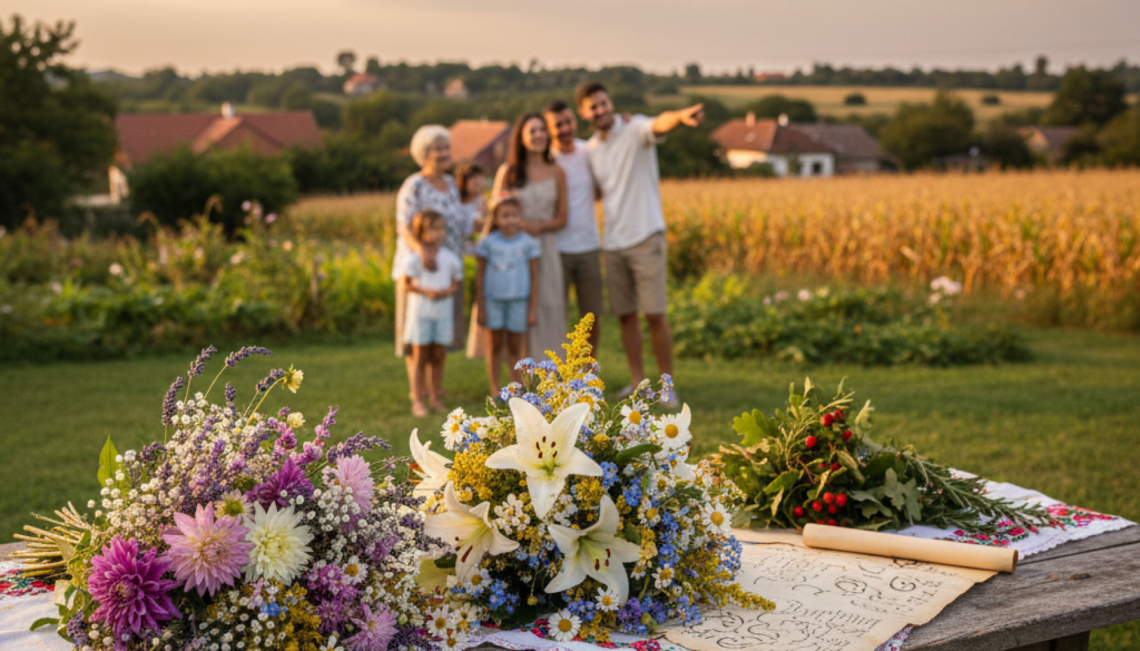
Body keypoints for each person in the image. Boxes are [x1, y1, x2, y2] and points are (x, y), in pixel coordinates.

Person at [576, 81, 704, 407]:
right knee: (626, 315)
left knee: (655, 314)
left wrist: (680, 115)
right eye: (593, 106)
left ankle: (666, 386)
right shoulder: (591, 150)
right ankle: (637, 382)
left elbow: (660, 122)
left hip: (646, 235)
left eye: (604, 103)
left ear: (611, 104)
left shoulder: (635, 129)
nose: (600, 110)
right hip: (614, 241)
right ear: (584, 112)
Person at [394, 125, 467, 406]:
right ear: (424, 154)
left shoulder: (450, 183)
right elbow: (404, 225)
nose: (444, 153)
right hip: (418, 269)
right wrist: (423, 252)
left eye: (446, 147)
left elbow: (458, 227)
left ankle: (435, 390)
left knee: (440, 335)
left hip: (448, 268)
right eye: (438, 149)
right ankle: (418, 392)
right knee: (417, 335)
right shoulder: (414, 184)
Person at [490, 113, 569, 360]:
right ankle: (517, 375)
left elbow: (563, 217)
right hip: (511, 250)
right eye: (532, 131)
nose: (538, 135)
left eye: (542, 130)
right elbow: (495, 214)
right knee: (516, 306)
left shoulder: (557, 172)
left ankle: (551, 370)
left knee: (549, 306)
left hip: (545, 246)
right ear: (521, 138)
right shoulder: (508, 172)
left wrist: (539, 227)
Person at [543, 100, 604, 354]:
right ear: (549, 130)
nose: (565, 129)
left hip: (588, 245)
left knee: (591, 314)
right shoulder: (546, 160)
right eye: (558, 125)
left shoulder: (587, 151)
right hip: (555, 248)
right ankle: (555, 372)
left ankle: (586, 370)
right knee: (555, 313)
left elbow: (601, 187)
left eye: (568, 122)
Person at [400, 210, 463, 416]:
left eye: (441, 228)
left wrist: (447, 291)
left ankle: (435, 397)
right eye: (433, 229)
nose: (439, 233)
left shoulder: (450, 258)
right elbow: (406, 284)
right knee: (420, 356)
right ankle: (418, 399)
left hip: (443, 313)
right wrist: (427, 291)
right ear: (421, 232)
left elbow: (456, 282)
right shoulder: (414, 259)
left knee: (439, 355)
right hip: (420, 314)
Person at [475, 197, 541, 394]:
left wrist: (532, 309)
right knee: (494, 345)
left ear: (520, 217)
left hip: (518, 301)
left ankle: (515, 387)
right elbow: (479, 277)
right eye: (505, 216)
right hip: (493, 301)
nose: (510, 220)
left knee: (515, 346)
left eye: (514, 215)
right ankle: (495, 388)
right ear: (495, 219)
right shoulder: (487, 243)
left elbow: (534, 278)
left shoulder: (529, 243)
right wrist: (481, 307)